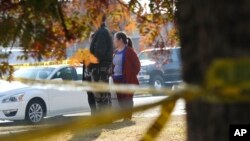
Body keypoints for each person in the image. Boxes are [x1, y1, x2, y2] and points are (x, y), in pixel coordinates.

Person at [112, 32, 141, 120]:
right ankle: (125, 116)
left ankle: (128, 117)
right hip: (116, 80)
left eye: (115, 39)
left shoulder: (129, 51)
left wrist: (131, 75)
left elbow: (137, 65)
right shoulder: (116, 52)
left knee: (127, 99)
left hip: (127, 80)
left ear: (120, 40)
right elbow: (113, 65)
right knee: (120, 100)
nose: (114, 41)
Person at [88, 15, 113, 112]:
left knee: (101, 96)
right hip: (102, 68)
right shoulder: (103, 32)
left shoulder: (101, 33)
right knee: (104, 95)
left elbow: (99, 54)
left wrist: (90, 65)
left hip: (99, 69)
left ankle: (104, 120)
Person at [82, 32, 96, 115]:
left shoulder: (97, 50)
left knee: (95, 98)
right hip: (87, 77)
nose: (90, 40)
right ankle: (93, 114)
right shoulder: (87, 51)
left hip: (94, 78)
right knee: (90, 97)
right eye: (90, 38)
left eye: (92, 38)